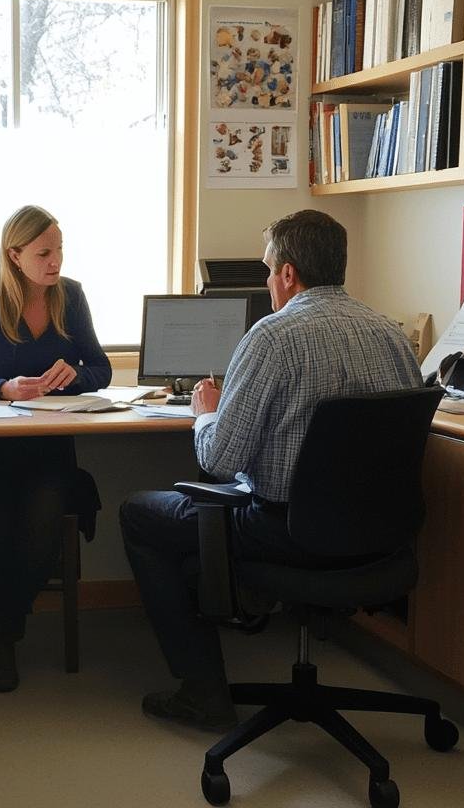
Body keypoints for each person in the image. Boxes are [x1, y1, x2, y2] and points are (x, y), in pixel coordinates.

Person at [120, 209, 422, 730]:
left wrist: (206, 412)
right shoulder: (391, 334)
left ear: (287, 273)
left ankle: (203, 691)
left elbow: (219, 460)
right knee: (195, 527)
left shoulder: (273, 336)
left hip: (286, 531)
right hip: (380, 536)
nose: (266, 281)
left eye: (267, 270)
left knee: (139, 514)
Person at [0, 205, 112, 692]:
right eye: (44, 252)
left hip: (49, 452)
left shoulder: (71, 296)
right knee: (1, 514)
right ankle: (5, 632)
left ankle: (3, 628)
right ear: (14, 255)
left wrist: (77, 374)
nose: (55, 261)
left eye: (60, 249)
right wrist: (3, 387)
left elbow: (101, 369)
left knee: (44, 512)